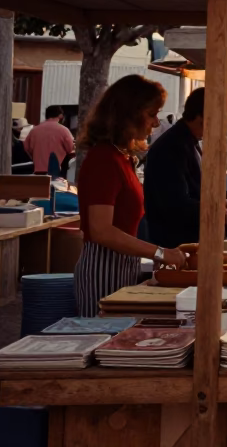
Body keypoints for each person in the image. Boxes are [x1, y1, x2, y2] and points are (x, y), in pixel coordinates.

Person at [73, 75, 187, 317]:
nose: (156, 123)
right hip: (102, 269)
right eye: (152, 114)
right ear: (129, 114)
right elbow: (101, 230)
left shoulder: (121, 157)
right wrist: (159, 252)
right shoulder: (103, 159)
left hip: (124, 266)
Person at [144, 88, 227, 249]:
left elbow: (197, 191)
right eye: (226, 117)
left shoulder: (189, 141)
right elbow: (177, 204)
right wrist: (222, 214)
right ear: (203, 115)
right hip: (177, 246)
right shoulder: (172, 147)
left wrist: (226, 204)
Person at [24, 105, 76, 179]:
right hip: (56, 172)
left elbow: (26, 147)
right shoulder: (64, 130)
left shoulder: (34, 130)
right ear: (61, 116)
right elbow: (70, 149)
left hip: (37, 172)